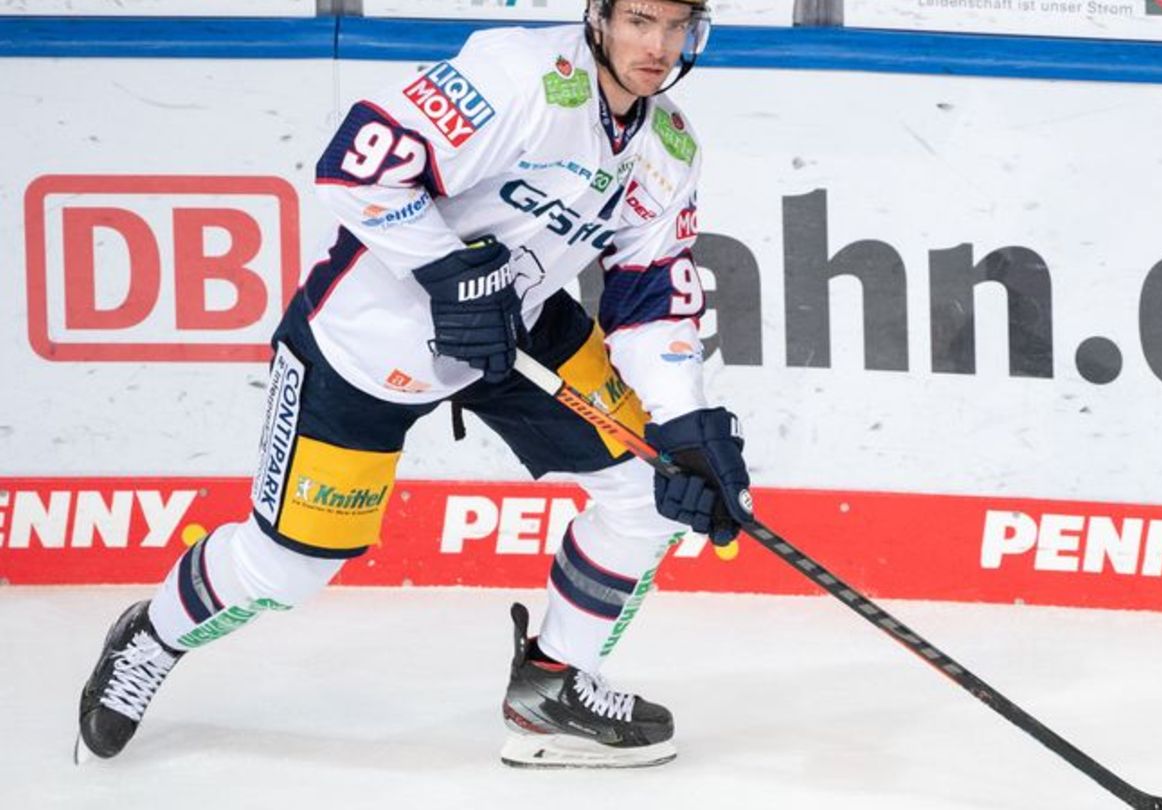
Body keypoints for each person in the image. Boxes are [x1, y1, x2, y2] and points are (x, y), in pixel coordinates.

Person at [76, 0, 753, 770]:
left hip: (518, 326)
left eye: (677, 27)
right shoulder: (517, 77)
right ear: (598, 15)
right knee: (288, 568)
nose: (658, 46)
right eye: (640, 21)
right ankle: (154, 633)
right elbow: (354, 164)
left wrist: (683, 422)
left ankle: (554, 682)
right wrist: (446, 268)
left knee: (650, 486)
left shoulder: (669, 145)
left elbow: (652, 293)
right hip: (371, 337)